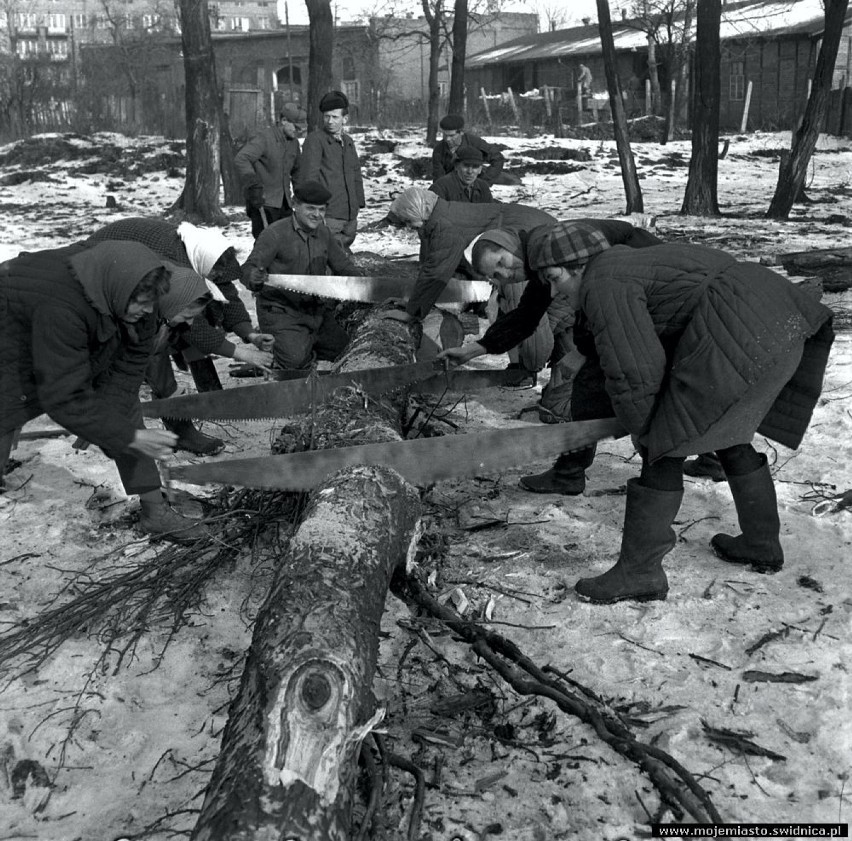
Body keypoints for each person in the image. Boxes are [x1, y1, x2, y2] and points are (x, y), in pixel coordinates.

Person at [439, 221, 834, 604]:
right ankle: (761, 542)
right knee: (728, 431)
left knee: (665, 443)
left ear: (576, 267)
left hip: (741, 328)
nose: (555, 291)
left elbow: (634, 369)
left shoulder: (603, 282)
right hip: (779, 320)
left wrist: (646, 430)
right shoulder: (618, 262)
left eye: (557, 280)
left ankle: (641, 572)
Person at [0, 241, 213, 543]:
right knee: (9, 403)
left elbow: (126, 374)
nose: (149, 311)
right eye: (141, 303)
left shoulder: (143, 298)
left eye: (153, 305)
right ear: (121, 292)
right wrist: (126, 437)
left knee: (126, 410)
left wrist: (122, 432)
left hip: (78, 314)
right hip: (12, 320)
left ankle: (156, 513)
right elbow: (64, 396)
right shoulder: (62, 308)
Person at [469, 220, 661, 494]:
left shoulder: (545, 248)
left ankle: (572, 473)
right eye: (497, 274)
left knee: (602, 386)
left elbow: (596, 299)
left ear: (509, 244)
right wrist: (478, 348)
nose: (505, 272)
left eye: (501, 260)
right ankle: (711, 456)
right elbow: (528, 315)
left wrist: (582, 352)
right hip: (634, 296)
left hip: (649, 292)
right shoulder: (536, 256)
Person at [84, 218, 274, 455]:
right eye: (214, 272)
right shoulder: (171, 263)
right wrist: (242, 354)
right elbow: (192, 326)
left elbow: (226, 295)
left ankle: (209, 394)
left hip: (131, 281)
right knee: (157, 342)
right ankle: (179, 431)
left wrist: (250, 334)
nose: (216, 275)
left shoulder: (204, 253)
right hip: (106, 281)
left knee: (187, 319)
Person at [240, 180, 360, 372]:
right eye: (310, 208)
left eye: (321, 210)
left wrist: (363, 285)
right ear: (295, 205)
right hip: (281, 313)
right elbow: (247, 269)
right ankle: (280, 356)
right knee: (294, 363)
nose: (317, 215)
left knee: (347, 351)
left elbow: (343, 266)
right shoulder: (274, 234)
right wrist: (254, 278)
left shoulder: (323, 232)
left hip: (315, 311)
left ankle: (305, 348)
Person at [296, 90, 364, 250]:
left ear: (345, 119)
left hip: (349, 215)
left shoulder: (348, 142)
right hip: (328, 214)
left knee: (342, 257)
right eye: (326, 116)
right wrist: (315, 211)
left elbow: (355, 174)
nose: (330, 121)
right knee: (325, 257)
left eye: (335, 117)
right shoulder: (315, 140)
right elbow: (309, 178)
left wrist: (358, 203)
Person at [235, 102, 307, 239]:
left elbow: (297, 171)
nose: (298, 131)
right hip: (263, 204)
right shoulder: (264, 138)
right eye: (296, 127)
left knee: (287, 244)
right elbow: (241, 158)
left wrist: (300, 195)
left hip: (284, 205)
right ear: (284, 121)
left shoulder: (294, 144)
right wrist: (253, 184)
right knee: (265, 246)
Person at [431, 114, 504, 187]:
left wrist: (483, 183)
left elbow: (498, 159)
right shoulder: (439, 150)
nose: (447, 139)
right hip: (451, 188)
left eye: (452, 136)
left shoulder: (475, 143)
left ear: (461, 132)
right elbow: (438, 177)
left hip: (475, 187)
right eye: (445, 135)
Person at [429, 145, 493, 203]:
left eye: (475, 167)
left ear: (480, 170)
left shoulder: (483, 187)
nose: (470, 171)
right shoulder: (440, 187)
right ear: (456, 166)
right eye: (466, 166)